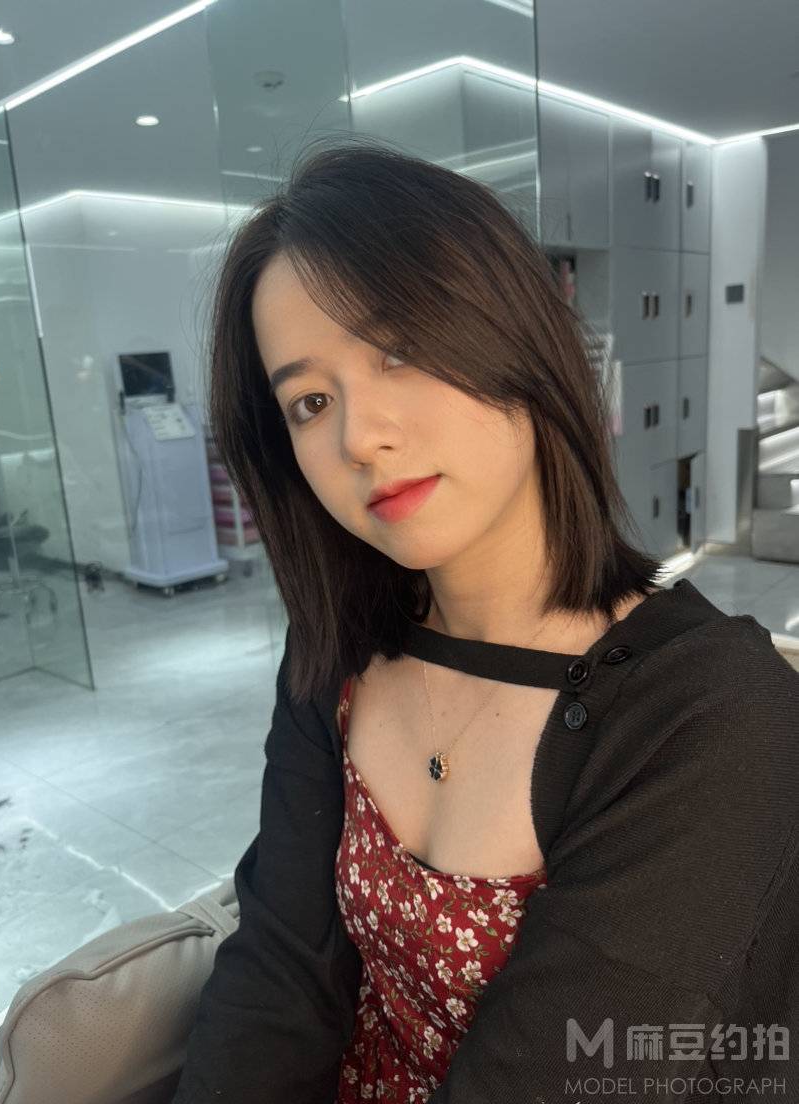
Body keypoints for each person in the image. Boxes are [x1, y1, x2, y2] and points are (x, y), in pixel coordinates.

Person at [170, 137, 798, 1104]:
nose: (359, 437)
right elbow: (280, 980)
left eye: (400, 351)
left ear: (515, 336)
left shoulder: (712, 713)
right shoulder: (337, 651)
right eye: (309, 401)